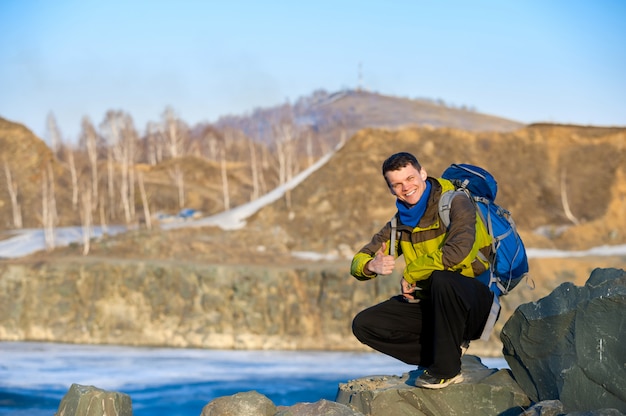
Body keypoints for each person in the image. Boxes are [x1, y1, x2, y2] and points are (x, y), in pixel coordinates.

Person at [350, 152, 494, 389]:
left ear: (423, 174)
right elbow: (359, 258)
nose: (406, 187)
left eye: (409, 178)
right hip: (433, 307)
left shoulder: (456, 202)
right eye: (396, 184)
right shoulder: (399, 224)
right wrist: (369, 265)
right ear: (390, 189)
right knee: (364, 324)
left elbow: (457, 252)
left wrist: (412, 272)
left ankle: (447, 370)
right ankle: (442, 353)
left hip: (474, 304)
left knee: (442, 279)